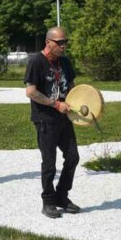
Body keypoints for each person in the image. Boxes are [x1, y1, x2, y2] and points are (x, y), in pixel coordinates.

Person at [24, 26, 80, 219]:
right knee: (49, 163)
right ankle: (48, 201)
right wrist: (56, 104)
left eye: (66, 42)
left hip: (65, 119)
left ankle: (61, 196)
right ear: (48, 42)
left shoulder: (65, 62)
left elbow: (73, 88)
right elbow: (31, 92)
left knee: (73, 157)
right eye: (60, 43)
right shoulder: (36, 62)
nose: (64, 46)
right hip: (45, 119)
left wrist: (86, 102)